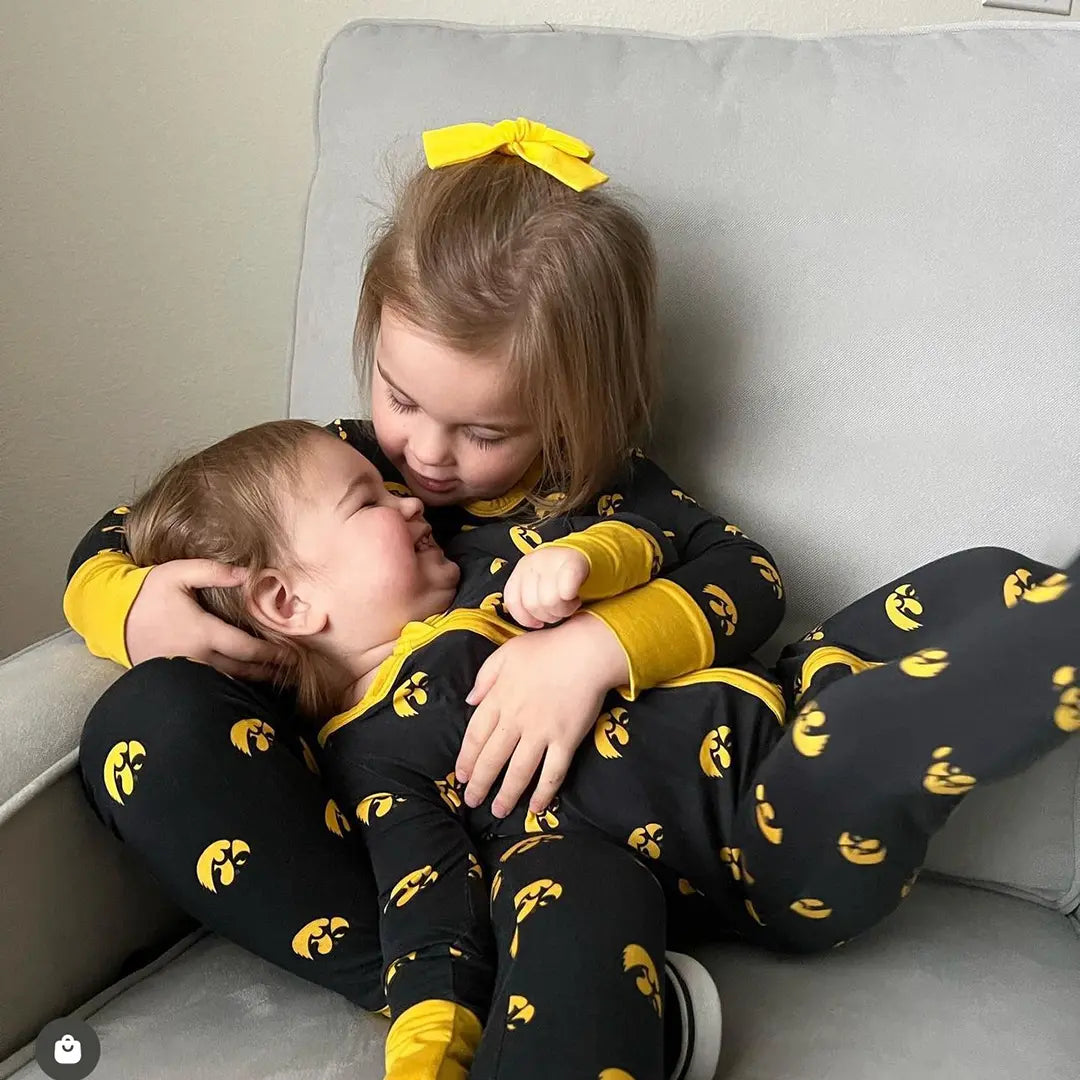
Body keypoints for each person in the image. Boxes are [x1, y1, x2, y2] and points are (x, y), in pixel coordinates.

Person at [69, 119, 780, 1080]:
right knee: (141, 720)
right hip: (373, 853)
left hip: (568, 846)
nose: (426, 458)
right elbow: (127, 525)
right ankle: (434, 985)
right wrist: (130, 605)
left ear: (575, 411)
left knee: (572, 901)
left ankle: (569, 994)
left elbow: (747, 576)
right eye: (401, 398)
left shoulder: (604, 502)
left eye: (484, 432)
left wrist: (597, 645)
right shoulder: (340, 462)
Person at [83, 419, 1079, 1079]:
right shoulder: (371, 759)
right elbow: (428, 911)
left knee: (978, 575)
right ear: (287, 602)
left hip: (791, 683)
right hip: (762, 843)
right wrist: (427, 1048)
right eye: (368, 502)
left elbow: (656, 543)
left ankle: (1042, 622)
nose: (410, 496)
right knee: (853, 741)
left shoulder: (490, 581)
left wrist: (582, 565)